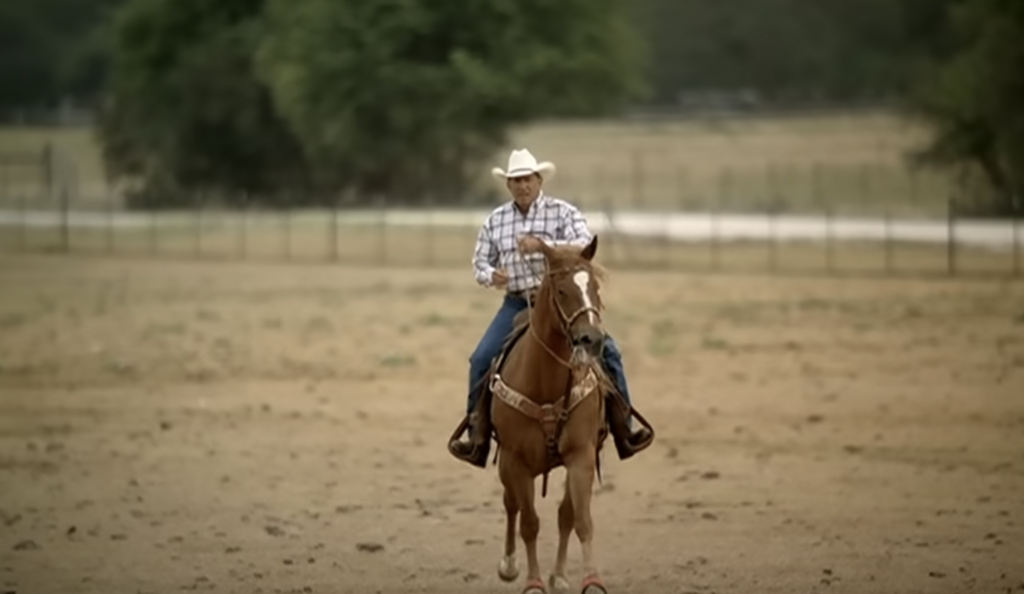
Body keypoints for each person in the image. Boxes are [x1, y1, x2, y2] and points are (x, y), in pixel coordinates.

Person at [447, 148, 653, 468]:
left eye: (527, 179)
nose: (522, 186)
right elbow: (479, 264)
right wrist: (492, 275)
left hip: (562, 302)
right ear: (508, 185)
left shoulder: (562, 212)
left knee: (607, 351)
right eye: (515, 181)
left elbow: (584, 244)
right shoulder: (496, 220)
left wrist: (542, 246)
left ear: (539, 180)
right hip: (517, 300)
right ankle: (477, 436)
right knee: (482, 358)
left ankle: (624, 428)